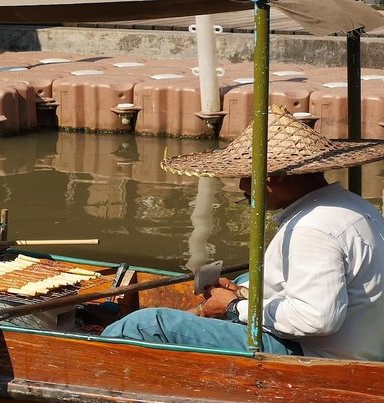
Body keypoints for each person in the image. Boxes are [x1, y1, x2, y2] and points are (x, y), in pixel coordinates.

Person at [101, 105, 384, 361]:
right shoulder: (353, 206)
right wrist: (243, 294)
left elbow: (317, 320)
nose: (241, 187)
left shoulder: (312, 228)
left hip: (319, 354)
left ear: (273, 177)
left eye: (246, 177)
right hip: (358, 341)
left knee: (145, 324)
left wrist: (237, 307)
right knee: (245, 279)